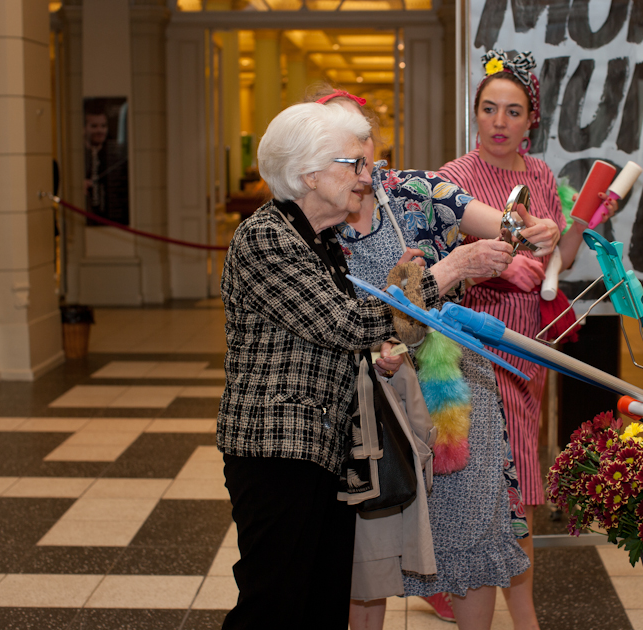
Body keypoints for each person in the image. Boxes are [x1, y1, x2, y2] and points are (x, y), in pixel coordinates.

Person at [216, 102, 514, 630]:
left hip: (323, 447)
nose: (366, 175)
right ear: (309, 173)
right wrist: (447, 272)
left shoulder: (318, 239)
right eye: (352, 164)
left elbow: (361, 331)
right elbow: (349, 325)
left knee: (323, 601)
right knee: (276, 604)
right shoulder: (268, 237)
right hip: (277, 449)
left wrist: (403, 313)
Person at [311, 88, 559, 630]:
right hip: (370, 406)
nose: (356, 161)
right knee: (367, 554)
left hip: (455, 400)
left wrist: (534, 231)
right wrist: (446, 272)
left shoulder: (416, 191)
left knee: (468, 542)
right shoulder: (311, 219)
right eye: (339, 147)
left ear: (375, 143)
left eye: (361, 143)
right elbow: (335, 320)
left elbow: (503, 227)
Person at [437, 50, 616, 629]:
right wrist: (495, 267)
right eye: (488, 108)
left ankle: (520, 613)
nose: (499, 122)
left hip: (527, 347)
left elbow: (556, 263)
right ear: (475, 113)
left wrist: (577, 221)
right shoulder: (452, 180)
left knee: (519, 487)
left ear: (530, 118)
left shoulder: (538, 175)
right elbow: (438, 269)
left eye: (512, 111)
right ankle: (504, 614)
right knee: (492, 485)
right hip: (473, 346)